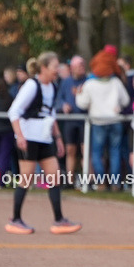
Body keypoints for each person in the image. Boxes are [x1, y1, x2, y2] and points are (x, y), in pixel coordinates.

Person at [5, 52, 81, 234]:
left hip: (44, 138)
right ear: (44, 68)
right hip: (28, 139)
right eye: (55, 67)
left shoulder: (53, 87)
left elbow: (50, 114)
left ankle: (59, 220)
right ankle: (15, 219)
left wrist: (58, 138)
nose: (57, 70)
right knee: (26, 179)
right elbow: (13, 112)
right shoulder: (32, 85)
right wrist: (20, 136)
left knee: (55, 178)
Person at [76, 47, 130, 192]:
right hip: (115, 121)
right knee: (115, 152)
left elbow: (82, 104)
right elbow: (125, 101)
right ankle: (115, 183)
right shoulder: (115, 83)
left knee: (97, 153)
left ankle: (100, 183)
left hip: (98, 122)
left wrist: (78, 94)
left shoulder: (90, 84)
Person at [54, 55, 88, 186]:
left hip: (85, 121)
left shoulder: (88, 81)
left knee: (86, 150)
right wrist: (63, 105)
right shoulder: (66, 82)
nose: (82, 68)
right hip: (70, 121)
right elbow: (58, 99)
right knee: (70, 150)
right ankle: (69, 180)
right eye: (79, 66)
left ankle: (88, 180)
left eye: (83, 66)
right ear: (72, 68)